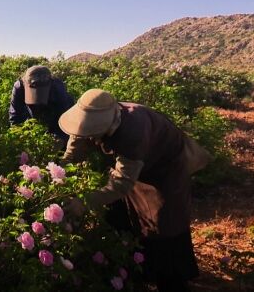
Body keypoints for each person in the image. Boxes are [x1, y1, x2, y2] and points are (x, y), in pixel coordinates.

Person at [59, 89, 212, 292]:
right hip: (136, 168)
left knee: (164, 224)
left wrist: (84, 202)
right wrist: (58, 175)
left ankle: (172, 281)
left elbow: (121, 184)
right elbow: (73, 153)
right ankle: (140, 270)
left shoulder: (134, 130)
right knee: (127, 215)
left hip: (166, 169)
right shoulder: (88, 120)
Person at [9, 65, 74, 141]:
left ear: (50, 84)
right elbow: (15, 116)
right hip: (30, 119)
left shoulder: (58, 88)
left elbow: (65, 118)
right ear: (26, 84)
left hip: (52, 114)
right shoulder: (19, 87)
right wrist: (19, 136)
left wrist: (59, 138)